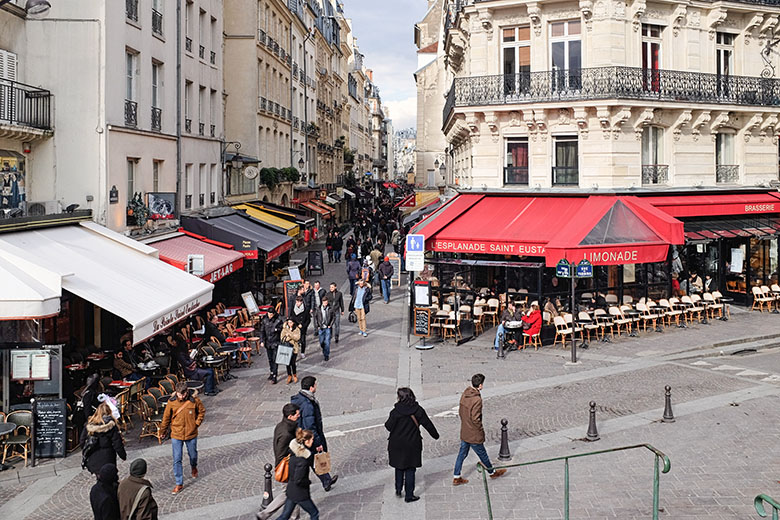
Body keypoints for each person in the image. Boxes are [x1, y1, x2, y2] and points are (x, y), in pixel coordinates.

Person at [384, 387, 439, 503]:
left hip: (397, 445)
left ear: (400, 397)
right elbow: (428, 424)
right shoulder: (418, 410)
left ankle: (398, 489)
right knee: (410, 469)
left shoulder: (395, 412)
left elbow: (388, 426)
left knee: (399, 467)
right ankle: (409, 495)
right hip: (412, 445)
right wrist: (436, 435)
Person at [452, 374, 507, 486]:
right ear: (480, 385)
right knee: (483, 454)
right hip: (473, 433)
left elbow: (461, 412)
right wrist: (480, 430)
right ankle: (492, 472)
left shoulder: (465, 393)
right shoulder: (477, 399)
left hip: (465, 431)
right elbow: (476, 419)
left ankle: (456, 477)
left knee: (461, 454)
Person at [290, 377, 338, 492]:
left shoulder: (300, 399)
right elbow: (310, 426)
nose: (316, 386)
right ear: (311, 387)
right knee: (312, 459)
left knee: (313, 460)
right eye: (315, 385)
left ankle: (326, 480)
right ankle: (321, 482)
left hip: (302, 436)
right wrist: (317, 442)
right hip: (308, 438)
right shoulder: (307, 404)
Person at [256, 403, 302, 520]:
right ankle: (266, 513)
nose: (299, 415)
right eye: (297, 414)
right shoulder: (286, 433)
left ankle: (293, 516)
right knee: (290, 493)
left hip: (289, 464)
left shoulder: (282, 426)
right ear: (290, 416)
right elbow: (281, 453)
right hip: (288, 466)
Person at [160, 382, 206, 494]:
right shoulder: (171, 403)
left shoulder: (194, 401)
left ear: (186, 392)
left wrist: (196, 424)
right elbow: (166, 418)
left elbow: (201, 412)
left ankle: (193, 466)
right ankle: (179, 483)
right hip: (176, 434)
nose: (181, 397)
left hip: (191, 433)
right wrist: (163, 431)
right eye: (179, 394)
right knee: (177, 459)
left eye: (182, 394)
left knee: (193, 455)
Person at [276, 429, 320, 520]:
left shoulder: (293, 452)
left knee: (285, 515)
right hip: (300, 494)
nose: (313, 441)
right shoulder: (303, 461)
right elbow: (299, 479)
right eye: (312, 439)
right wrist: (308, 482)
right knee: (314, 513)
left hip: (291, 491)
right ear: (306, 441)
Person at [84, 402, 127, 475]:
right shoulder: (111, 425)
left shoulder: (90, 424)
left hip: (94, 456)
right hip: (108, 457)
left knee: (99, 478)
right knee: (110, 479)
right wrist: (123, 455)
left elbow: (82, 441)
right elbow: (117, 443)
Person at [260, 307, 284, 384]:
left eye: (271, 314)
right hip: (268, 342)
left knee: (275, 359)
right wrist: (262, 340)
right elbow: (262, 331)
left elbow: (282, 329)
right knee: (270, 359)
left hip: (275, 342)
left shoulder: (278, 320)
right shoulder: (265, 320)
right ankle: (271, 372)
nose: (270, 316)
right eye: (269, 314)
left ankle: (275, 375)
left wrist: (277, 329)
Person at [312, 296, 335, 361]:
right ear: (322, 302)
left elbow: (334, 317)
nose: (325, 304)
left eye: (326, 302)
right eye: (324, 302)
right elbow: (315, 318)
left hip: (327, 327)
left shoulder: (330, 308)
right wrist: (317, 326)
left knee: (327, 342)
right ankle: (324, 348)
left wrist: (330, 324)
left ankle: (326, 355)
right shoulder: (318, 309)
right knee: (321, 342)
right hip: (321, 327)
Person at [281, 318, 302, 385]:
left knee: (293, 362)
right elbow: (282, 338)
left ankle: (294, 375)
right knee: (287, 363)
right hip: (287, 348)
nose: (290, 324)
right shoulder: (284, 329)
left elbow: (297, 338)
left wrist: (289, 335)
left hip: (294, 348)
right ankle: (289, 375)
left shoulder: (297, 329)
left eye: (291, 322)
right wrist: (290, 337)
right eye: (288, 322)